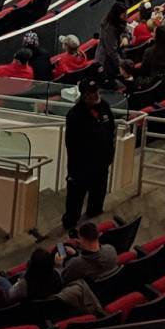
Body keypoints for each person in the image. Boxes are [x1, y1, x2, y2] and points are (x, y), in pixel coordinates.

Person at [62, 83, 115, 229]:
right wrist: (75, 170)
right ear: (85, 96)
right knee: (74, 205)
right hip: (81, 169)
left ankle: (93, 223)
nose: (96, 94)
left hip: (101, 166)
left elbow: (111, 131)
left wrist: (109, 156)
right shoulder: (74, 115)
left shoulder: (104, 106)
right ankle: (69, 227)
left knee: (97, 203)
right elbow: (71, 145)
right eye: (92, 93)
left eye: (97, 90)